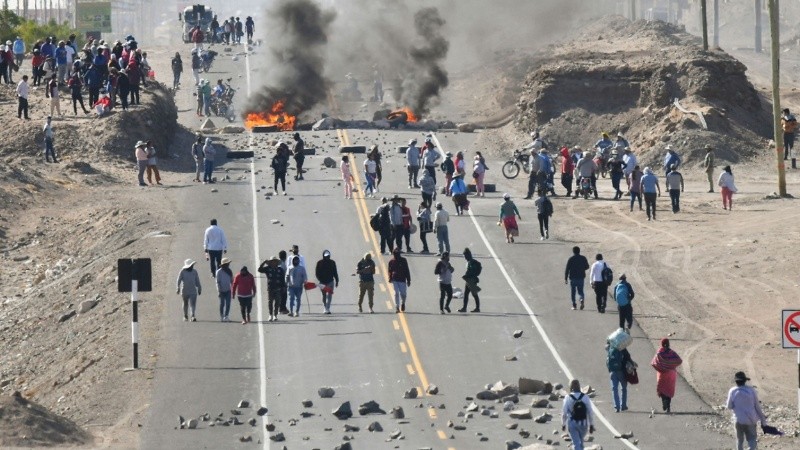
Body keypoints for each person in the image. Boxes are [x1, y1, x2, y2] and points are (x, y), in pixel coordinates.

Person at [726, 371, 769, 450]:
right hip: (750, 420)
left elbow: (729, 406)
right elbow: (757, 407)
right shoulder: (751, 390)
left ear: (736, 381)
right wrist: (763, 421)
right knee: (752, 439)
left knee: (739, 440)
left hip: (738, 419)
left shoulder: (732, 391)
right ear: (745, 381)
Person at [561, 379, 595, 450]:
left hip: (572, 423)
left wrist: (563, 424)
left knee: (576, 443)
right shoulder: (585, 397)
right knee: (581, 442)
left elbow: (564, 412)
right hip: (584, 423)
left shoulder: (568, 397)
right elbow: (590, 412)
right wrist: (591, 425)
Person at [651, 338, 682, 413]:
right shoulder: (672, 353)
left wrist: (662, 367)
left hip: (662, 375)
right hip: (671, 374)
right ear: (668, 344)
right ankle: (668, 406)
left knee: (662, 390)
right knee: (669, 390)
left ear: (661, 344)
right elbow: (679, 360)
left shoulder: (659, 353)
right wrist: (671, 365)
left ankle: (664, 403)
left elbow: (653, 362)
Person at [607, 340, 632, 412]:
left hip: (612, 372)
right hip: (621, 371)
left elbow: (608, 360)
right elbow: (628, 357)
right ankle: (623, 405)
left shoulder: (610, 348)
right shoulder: (622, 348)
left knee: (614, 389)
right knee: (623, 388)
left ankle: (617, 407)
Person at [258, 256, 286, 322]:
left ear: (277, 262)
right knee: (270, 302)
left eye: (275, 261)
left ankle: (275, 315)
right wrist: (264, 262)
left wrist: (283, 287)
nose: (274, 262)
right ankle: (270, 315)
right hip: (270, 288)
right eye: (272, 261)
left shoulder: (280, 270)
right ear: (270, 262)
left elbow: (282, 280)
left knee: (277, 302)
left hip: (278, 288)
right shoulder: (268, 269)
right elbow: (259, 270)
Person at [564, 246, 590, 310]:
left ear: (573, 251)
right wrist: (582, 268)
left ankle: (574, 305)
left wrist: (566, 278)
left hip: (573, 278)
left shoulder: (571, 259)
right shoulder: (583, 258)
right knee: (580, 291)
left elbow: (567, 269)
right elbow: (587, 267)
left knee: (573, 292)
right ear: (579, 251)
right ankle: (581, 299)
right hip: (581, 277)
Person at [387, 248, 411, 313]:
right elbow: (389, 270)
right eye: (395, 254)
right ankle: (397, 307)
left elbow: (407, 270)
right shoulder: (391, 261)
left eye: (397, 254)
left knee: (403, 294)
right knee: (396, 293)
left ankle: (403, 303)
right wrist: (390, 277)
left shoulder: (404, 260)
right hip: (395, 279)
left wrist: (409, 280)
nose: (396, 255)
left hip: (402, 279)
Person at [315, 250, 339, 314]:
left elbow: (335, 272)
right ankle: (325, 306)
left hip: (330, 282)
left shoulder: (332, 263)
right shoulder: (319, 263)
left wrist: (337, 281)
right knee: (324, 295)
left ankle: (327, 308)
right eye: (326, 256)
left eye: (328, 256)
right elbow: (317, 273)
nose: (327, 257)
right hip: (322, 282)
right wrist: (320, 279)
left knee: (329, 295)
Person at [459, 248, 482, 313]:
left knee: (474, 294)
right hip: (469, 280)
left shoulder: (471, 262)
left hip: (471, 280)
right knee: (467, 294)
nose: (465, 257)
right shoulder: (470, 261)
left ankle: (476, 308)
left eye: (465, 256)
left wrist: (467, 275)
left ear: (468, 255)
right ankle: (465, 308)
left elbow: (472, 272)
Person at [215, 257, 233, 322]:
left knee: (228, 304)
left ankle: (226, 316)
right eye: (227, 264)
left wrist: (232, 290)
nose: (228, 265)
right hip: (221, 291)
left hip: (228, 290)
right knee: (222, 304)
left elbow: (232, 281)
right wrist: (219, 291)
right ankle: (222, 316)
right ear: (223, 265)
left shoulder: (229, 271)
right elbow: (217, 282)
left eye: (228, 264)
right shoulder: (218, 272)